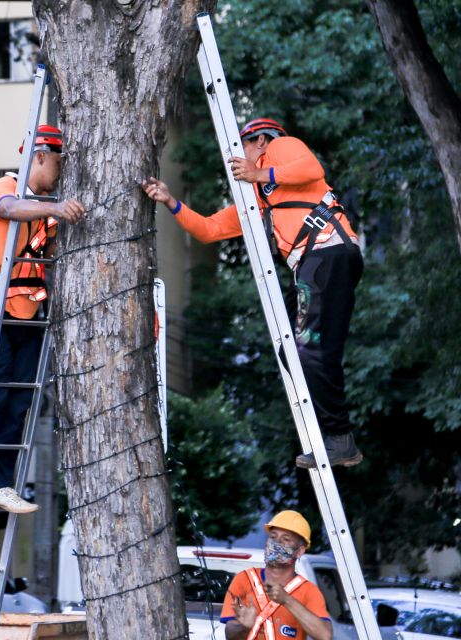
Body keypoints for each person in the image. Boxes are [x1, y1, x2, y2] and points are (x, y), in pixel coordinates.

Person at [142, 118, 363, 469]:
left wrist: (261, 174)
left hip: (326, 253)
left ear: (259, 141)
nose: (237, 158)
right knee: (292, 349)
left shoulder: (280, 147)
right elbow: (210, 229)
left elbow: (311, 166)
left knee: (308, 351)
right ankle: (335, 436)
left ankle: (339, 438)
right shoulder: (261, 200)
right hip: (319, 264)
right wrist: (170, 202)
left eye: (241, 147)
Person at [0, 124, 86, 514]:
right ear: (39, 156)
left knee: (20, 399)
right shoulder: (4, 187)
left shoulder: (44, 208)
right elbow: (7, 210)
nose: (61, 171)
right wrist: (56, 208)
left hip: (27, 313)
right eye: (58, 162)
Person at [221, 510, 333, 640]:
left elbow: (325, 636)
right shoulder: (244, 579)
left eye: (286, 539)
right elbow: (229, 635)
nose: (277, 543)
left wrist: (287, 600)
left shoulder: (309, 591)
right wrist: (244, 627)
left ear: (300, 551)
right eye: (273, 537)